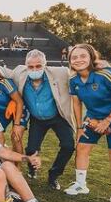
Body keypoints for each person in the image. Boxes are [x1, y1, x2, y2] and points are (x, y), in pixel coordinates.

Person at [64, 44, 111, 202]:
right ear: (70, 61)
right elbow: (76, 105)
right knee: (81, 148)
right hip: (94, 118)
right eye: (74, 57)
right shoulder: (73, 80)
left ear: (91, 57)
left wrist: (107, 121)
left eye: (82, 56)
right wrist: (80, 127)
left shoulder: (106, 74)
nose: (78, 60)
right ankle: (81, 185)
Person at [9, 49, 76, 190]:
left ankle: (54, 175)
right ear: (26, 65)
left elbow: (81, 71)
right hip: (37, 119)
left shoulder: (61, 72)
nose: (34, 69)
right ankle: (32, 168)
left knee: (69, 145)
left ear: (45, 65)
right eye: (31, 66)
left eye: (38, 66)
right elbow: (1, 71)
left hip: (58, 117)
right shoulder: (19, 73)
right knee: (32, 148)